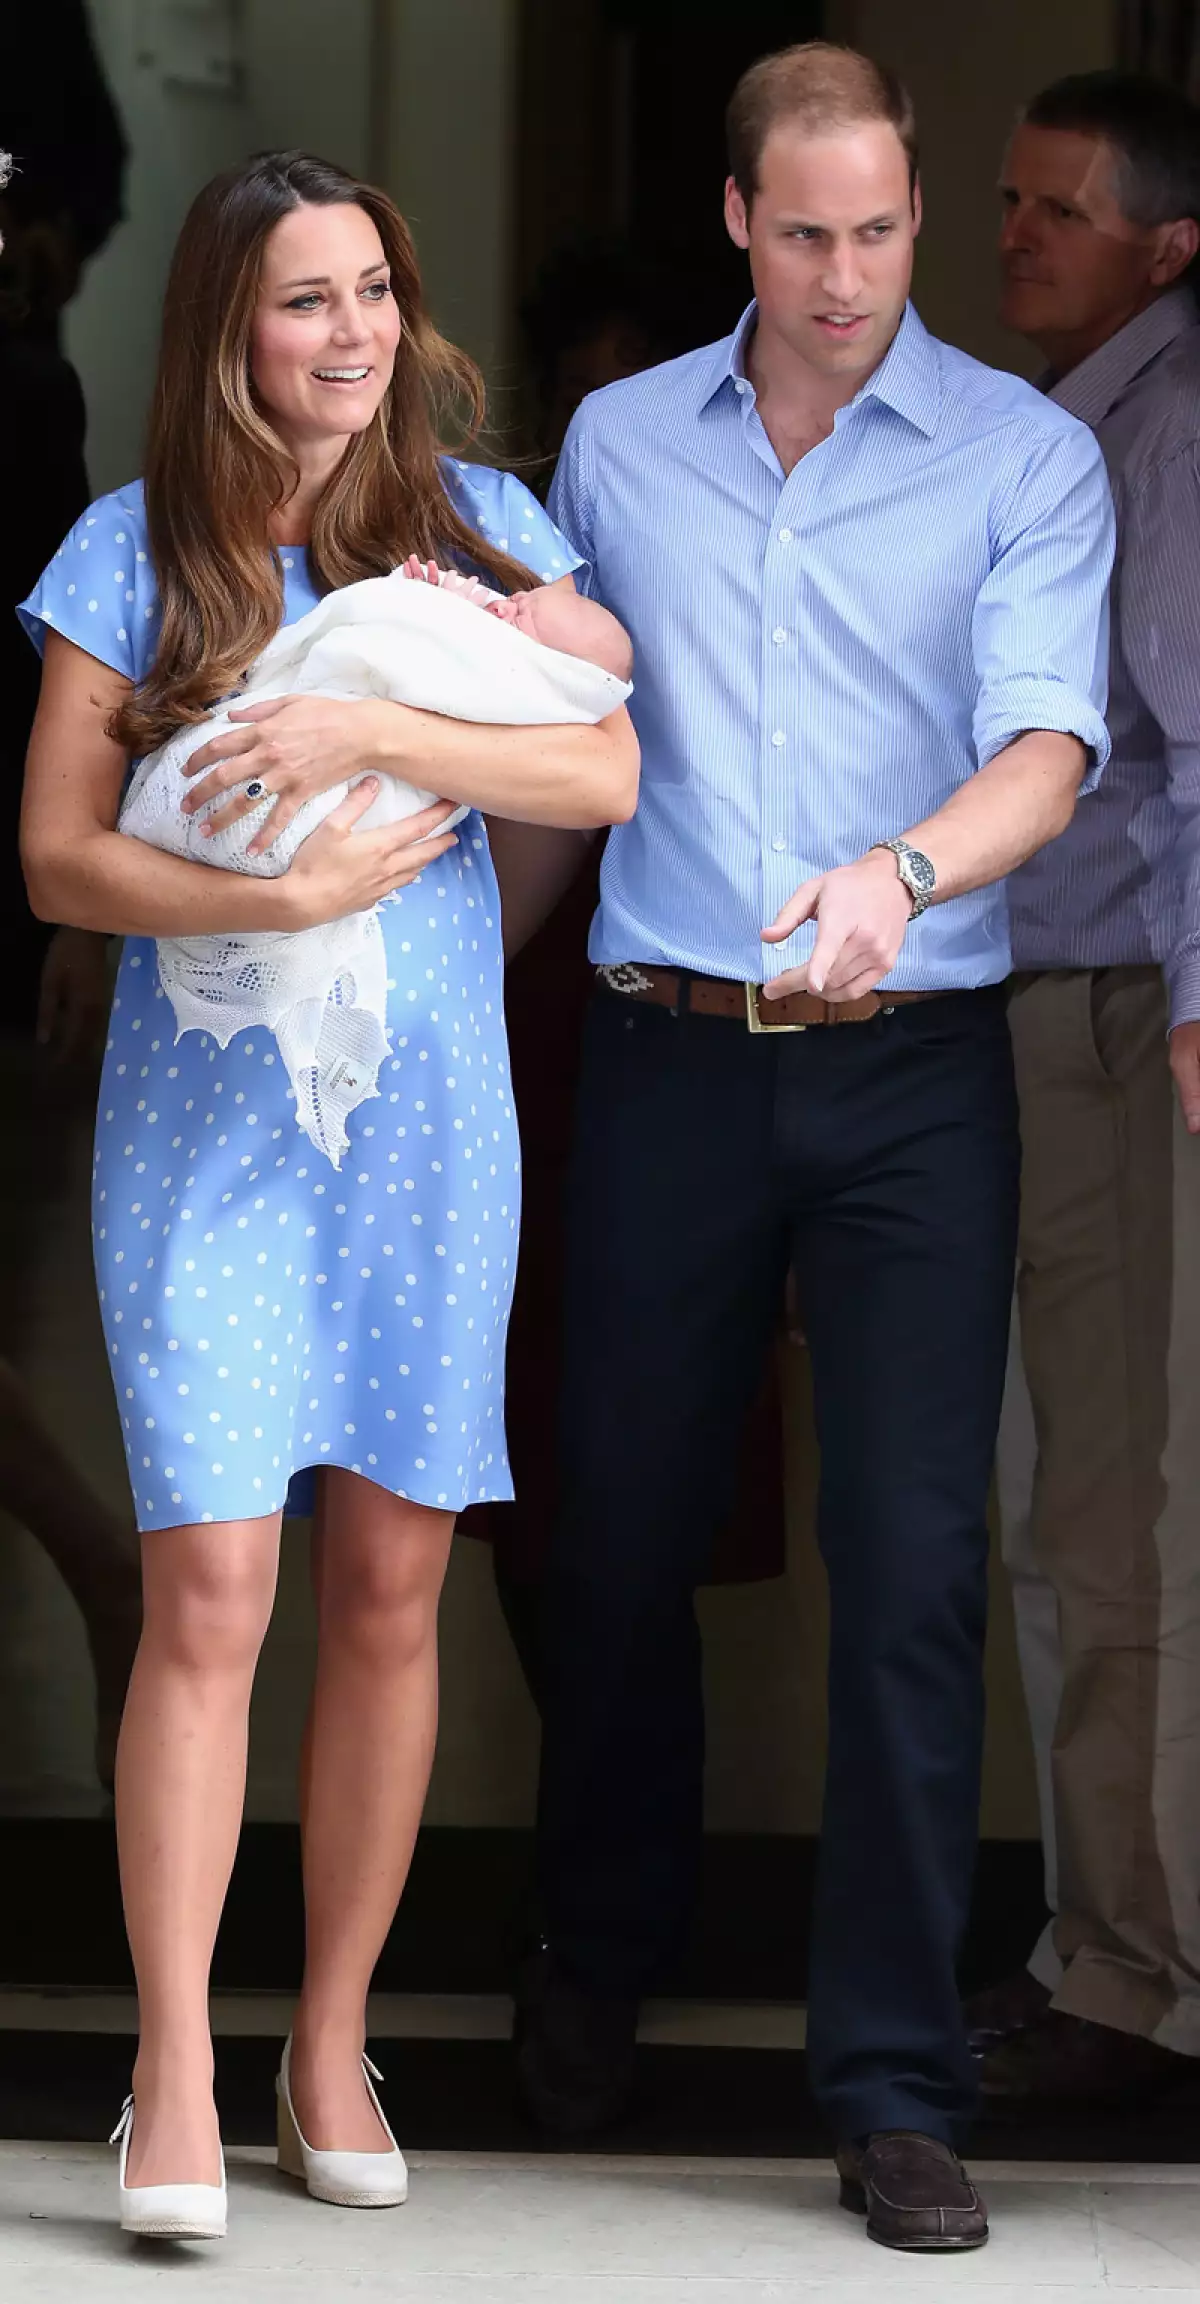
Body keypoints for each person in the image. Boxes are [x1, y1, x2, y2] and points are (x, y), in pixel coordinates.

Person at [505, 40, 1115, 2252]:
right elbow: (567, 745)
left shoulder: (1025, 457)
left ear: (913, 220)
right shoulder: (613, 442)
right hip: (666, 1051)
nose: (848, 274)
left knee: (915, 1571)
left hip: (911, 1073)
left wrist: (902, 876)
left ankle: (886, 2076)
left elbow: (1049, 745)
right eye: (808, 233)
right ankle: (595, 1952)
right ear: (742, 225)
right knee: (613, 1533)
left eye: (883, 232)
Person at [18, 147, 636, 2241]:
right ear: (228, 327)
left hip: (425, 1117)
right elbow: (54, 858)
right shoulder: (131, 550)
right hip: (201, 1125)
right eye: (306, 299)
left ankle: (330, 2039)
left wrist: (384, 719)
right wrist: (264, 886)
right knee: (211, 1593)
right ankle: (175, 2065)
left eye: (374, 289)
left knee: (390, 1585)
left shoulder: (481, 527)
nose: (354, 333)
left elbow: (609, 771)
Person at [966, 71, 1200, 2111]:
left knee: (1103, 1509)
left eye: (1058, 210)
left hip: (1129, 1009)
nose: (1015, 234)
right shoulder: (1068, 425)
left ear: (1164, 244)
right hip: (1064, 1003)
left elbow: (1195, 742)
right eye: (1013, 202)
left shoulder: (1163, 428)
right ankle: (1116, 1942)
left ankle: (1127, 1973)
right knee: (1086, 1503)